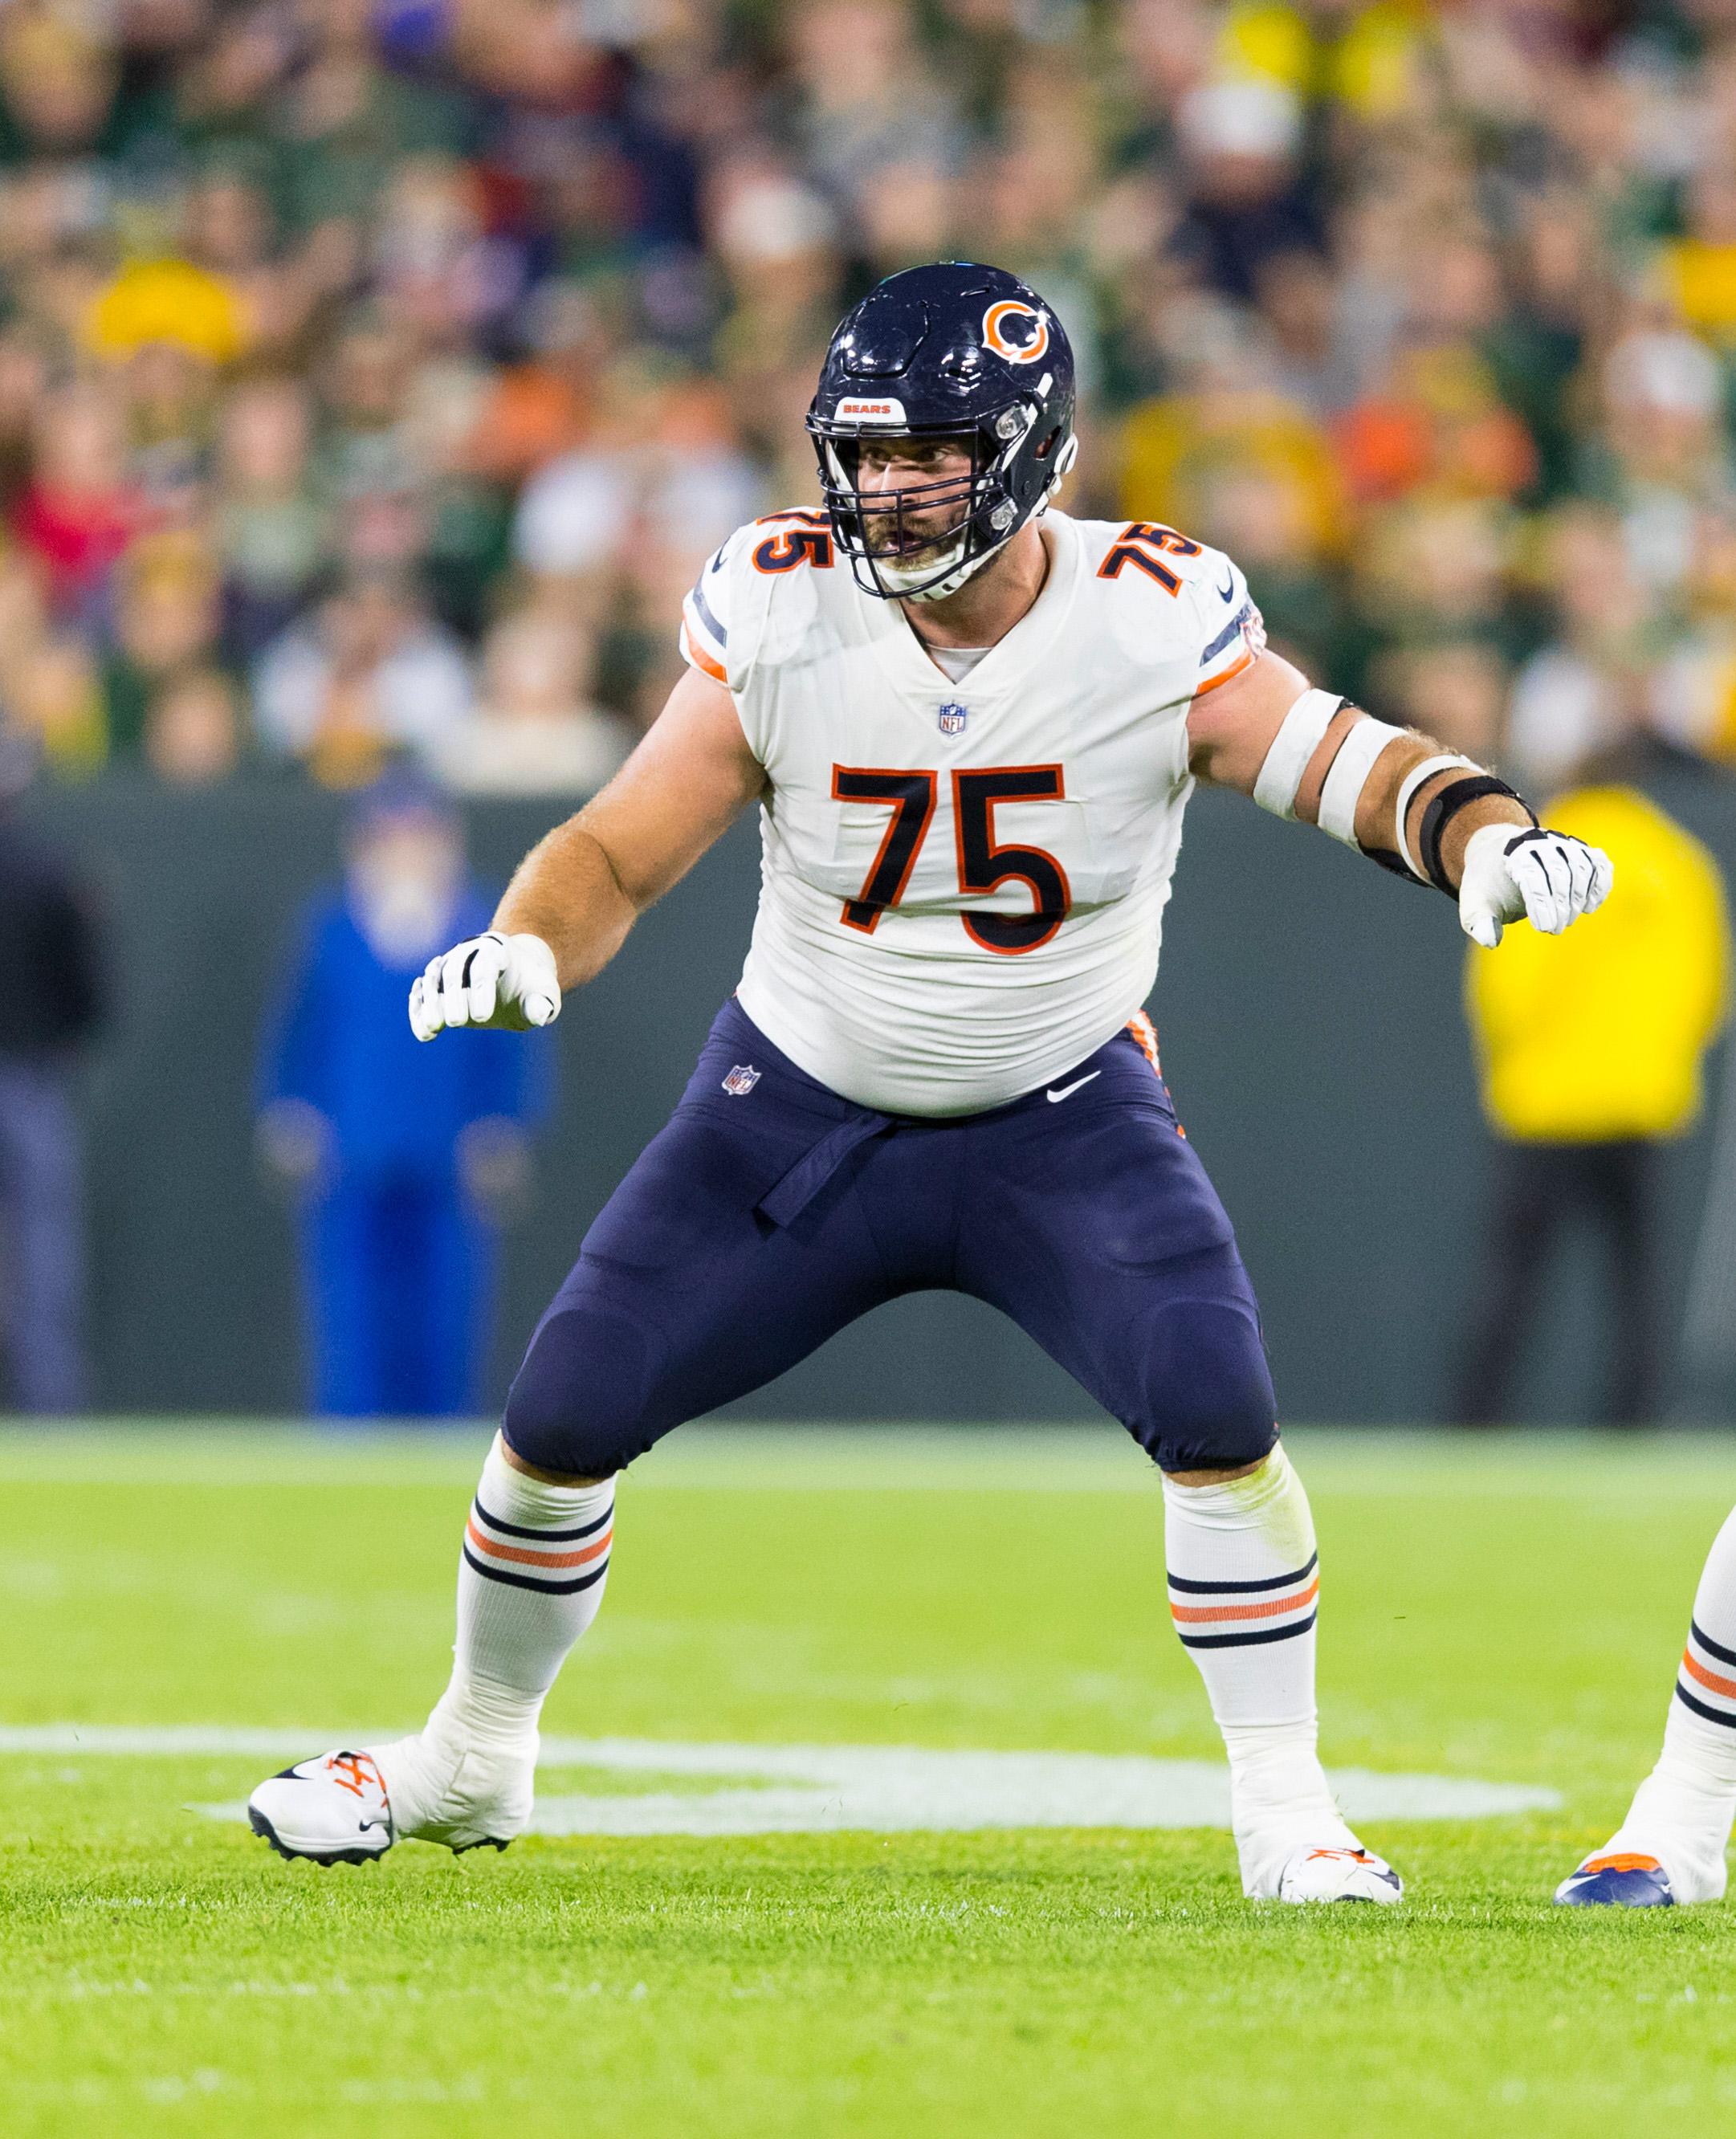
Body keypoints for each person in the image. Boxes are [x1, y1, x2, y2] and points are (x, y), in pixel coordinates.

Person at [248, 263, 1611, 1902]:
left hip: (1060, 1106)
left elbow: (1335, 756)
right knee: (558, 1417)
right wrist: (532, 939)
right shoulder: (777, 596)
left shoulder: (1144, 610)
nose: (887, 493)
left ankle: (1284, 1807)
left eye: (931, 455)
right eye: (865, 454)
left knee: (1216, 1411)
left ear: (1033, 450)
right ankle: (472, 1754)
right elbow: (616, 842)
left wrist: (1480, 836)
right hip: (797, 1109)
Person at [257, 774, 549, 1419]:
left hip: (446, 1163)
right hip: (353, 1159)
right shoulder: (333, 928)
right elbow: (300, 1032)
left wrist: (502, 1124)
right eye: (388, 839)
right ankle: (349, 1440)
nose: (405, 854)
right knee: (353, 1319)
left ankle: (439, 1439)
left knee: (445, 1318)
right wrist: (291, 1110)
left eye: (419, 838)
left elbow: (510, 1045)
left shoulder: (483, 933)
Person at [1457, 772, 1730, 1427]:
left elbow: (1507, 981)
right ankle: (1630, 1424)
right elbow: (1705, 984)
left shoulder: (1539, 851)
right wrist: (1664, 1063)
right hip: (1639, 1104)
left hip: (1546, 1104)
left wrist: (1512, 1064)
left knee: (1512, 1284)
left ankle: (1473, 1423)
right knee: (1633, 1285)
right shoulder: (1676, 859)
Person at [0, 730, 104, 1412]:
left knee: (44, 1246)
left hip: (30, 1076)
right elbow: (88, 995)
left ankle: (52, 1396)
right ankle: (51, 1401)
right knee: (44, 1247)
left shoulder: (49, 871)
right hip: (30, 1078)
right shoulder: (52, 871)